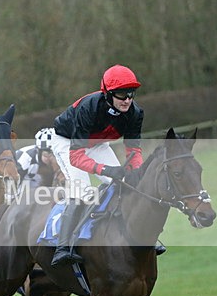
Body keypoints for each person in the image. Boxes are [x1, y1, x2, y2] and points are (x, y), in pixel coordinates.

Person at [49, 64, 149, 265]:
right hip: (67, 142)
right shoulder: (89, 107)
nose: (127, 99)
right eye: (122, 94)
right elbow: (76, 157)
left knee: (127, 185)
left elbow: (133, 151)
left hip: (97, 143)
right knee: (83, 191)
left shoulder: (135, 113)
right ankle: (62, 247)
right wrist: (106, 170)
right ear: (108, 94)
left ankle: (140, 237)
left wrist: (135, 173)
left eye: (131, 93)